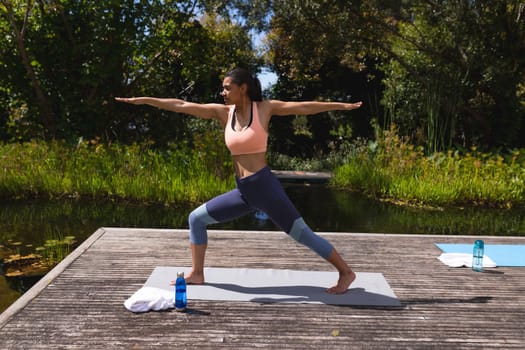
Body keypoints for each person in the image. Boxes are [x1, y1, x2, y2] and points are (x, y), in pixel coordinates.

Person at [116, 68, 362, 294]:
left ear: (243, 88)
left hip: (265, 188)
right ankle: (197, 273)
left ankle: (346, 273)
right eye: (223, 88)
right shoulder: (223, 113)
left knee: (302, 234)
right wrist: (145, 100)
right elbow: (181, 104)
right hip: (244, 191)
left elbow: (303, 107)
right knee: (196, 219)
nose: (222, 92)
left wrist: (341, 106)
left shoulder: (264, 108)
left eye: (227, 88)